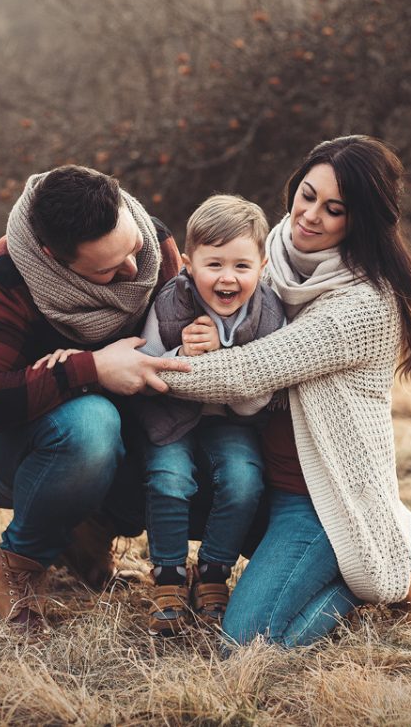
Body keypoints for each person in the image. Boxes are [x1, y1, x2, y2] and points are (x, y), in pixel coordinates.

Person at [160, 135, 411, 648]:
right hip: (260, 473)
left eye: (333, 209)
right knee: (160, 474)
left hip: (320, 498)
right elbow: (199, 289)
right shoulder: (268, 257)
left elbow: (250, 370)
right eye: (306, 195)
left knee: (242, 647)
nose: (310, 216)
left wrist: (143, 369)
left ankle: (369, 570)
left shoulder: (365, 305)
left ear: (359, 221)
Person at [0, 165, 190, 637]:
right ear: (54, 258)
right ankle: (21, 572)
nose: (134, 270)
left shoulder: (153, 242)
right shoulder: (2, 277)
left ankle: (85, 531)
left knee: (168, 456)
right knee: (90, 424)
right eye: (108, 270)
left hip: (116, 435)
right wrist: (90, 370)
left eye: (130, 247)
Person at [132, 195, 285, 636]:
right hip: (169, 415)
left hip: (234, 420)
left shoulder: (270, 313)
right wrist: (182, 353)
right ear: (187, 263)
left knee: (244, 480)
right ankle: (168, 575)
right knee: (168, 478)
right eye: (214, 264)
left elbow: (260, 392)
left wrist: (223, 360)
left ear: (261, 266)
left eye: (242, 266)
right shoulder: (169, 303)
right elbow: (148, 369)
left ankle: (214, 572)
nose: (227, 278)